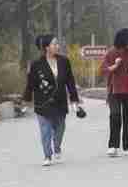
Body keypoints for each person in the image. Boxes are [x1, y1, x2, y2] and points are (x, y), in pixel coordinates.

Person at [23, 34, 81, 166]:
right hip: (43, 102)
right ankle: (47, 155)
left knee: (60, 128)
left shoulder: (64, 61)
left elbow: (70, 81)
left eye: (57, 44)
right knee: (45, 130)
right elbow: (30, 84)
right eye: (54, 44)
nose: (57, 46)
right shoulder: (36, 64)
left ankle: (57, 147)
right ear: (46, 47)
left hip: (60, 101)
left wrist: (74, 100)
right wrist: (26, 101)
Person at [100, 28, 128, 157]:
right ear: (122, 39)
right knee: (115, 116)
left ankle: (127, 146)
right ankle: (113, 146)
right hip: (114, 90)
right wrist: (115, 66)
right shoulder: (112, 53)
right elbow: (103, 70)